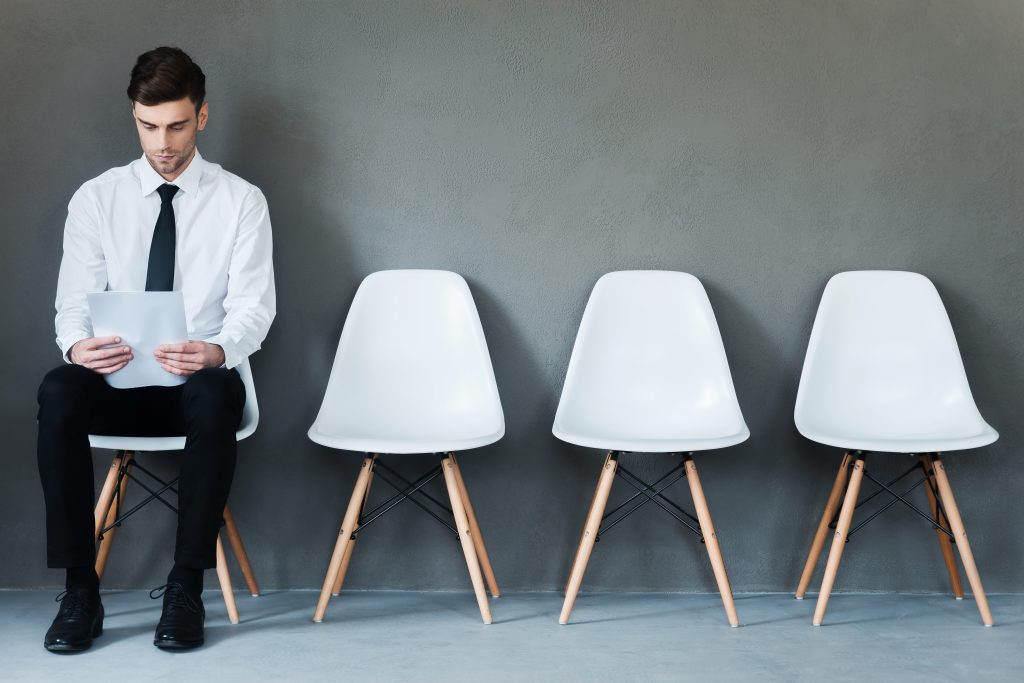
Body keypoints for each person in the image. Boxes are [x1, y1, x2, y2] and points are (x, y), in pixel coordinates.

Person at [37, 46, 275, 652]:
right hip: (117, 387)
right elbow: (71, 304)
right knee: (59, 388)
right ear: (133, 117)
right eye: (148, 125)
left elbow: (255, 307)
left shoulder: (241, 200)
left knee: (218, 386)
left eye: (175, 124)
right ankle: (79, 591)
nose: (162, 141)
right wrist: (77, 347)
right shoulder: (97, 198)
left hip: (198, 394)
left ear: (202, 117)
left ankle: (185, 587)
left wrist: (217, 350)